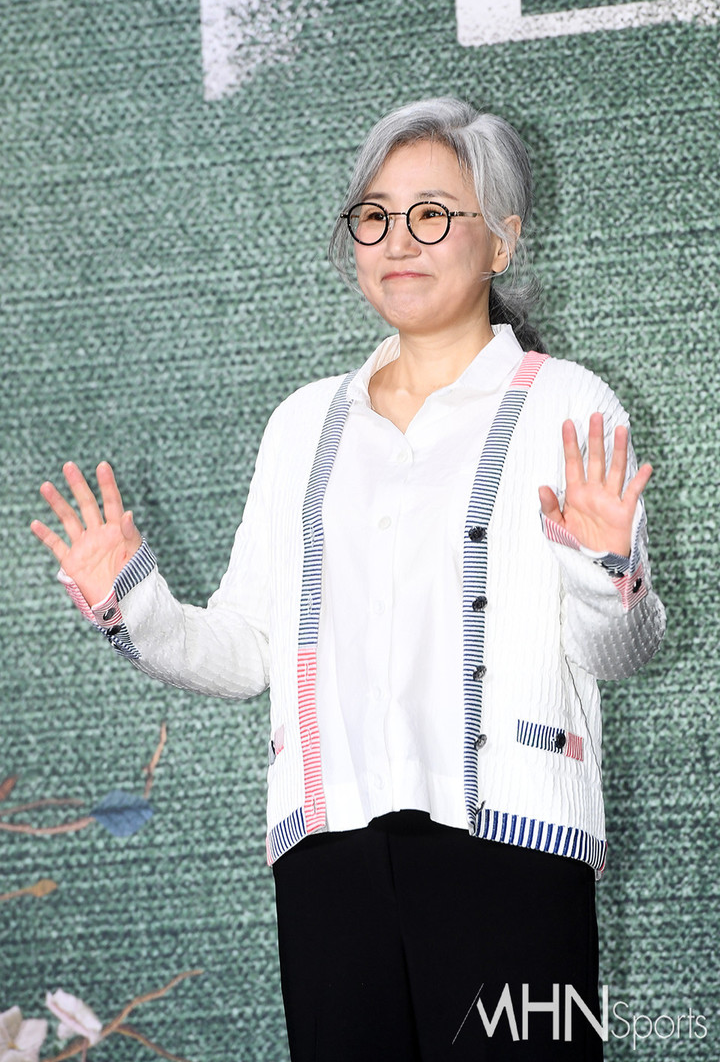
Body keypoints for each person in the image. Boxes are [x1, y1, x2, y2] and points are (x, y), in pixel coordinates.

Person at [31, 97, 666, 1061]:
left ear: (501, 241)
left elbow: (623, 648)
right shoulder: (302, 426)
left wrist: (603, 565)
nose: (398, 240)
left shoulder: (567, 404)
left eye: (431, 214)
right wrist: (133, 602)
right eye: (374, 216)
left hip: (514, 849)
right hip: (330, 861)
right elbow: (247, 651)